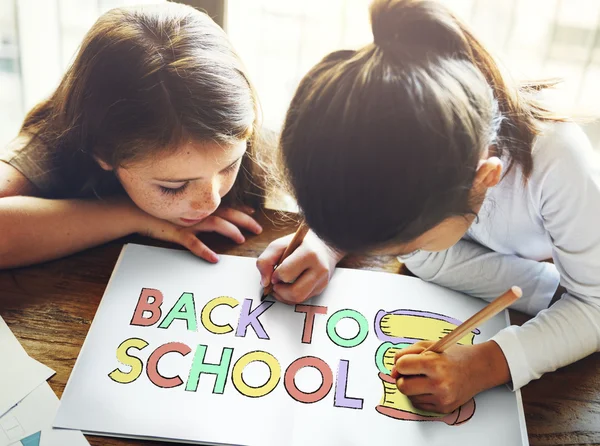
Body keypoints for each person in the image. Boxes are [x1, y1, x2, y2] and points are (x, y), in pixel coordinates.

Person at [257, 0, 600, 414]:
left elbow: (594, 305)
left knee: (427, 259)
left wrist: (485, 364)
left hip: (579, 269)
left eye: (398, 244)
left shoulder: (558, 162)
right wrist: (327, 243)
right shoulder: (380, 112)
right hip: (515, 265)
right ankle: (547, 292)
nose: (386, 253)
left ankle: (549, 291)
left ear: (484, 179)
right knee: (426, 260)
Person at [0, 2, 266, 269]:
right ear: (102, 151)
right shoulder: (53, 142)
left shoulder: (244, 129)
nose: (211, 201)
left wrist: (310, 243)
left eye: (230, 165)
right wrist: (132, 215)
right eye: (172, 186)